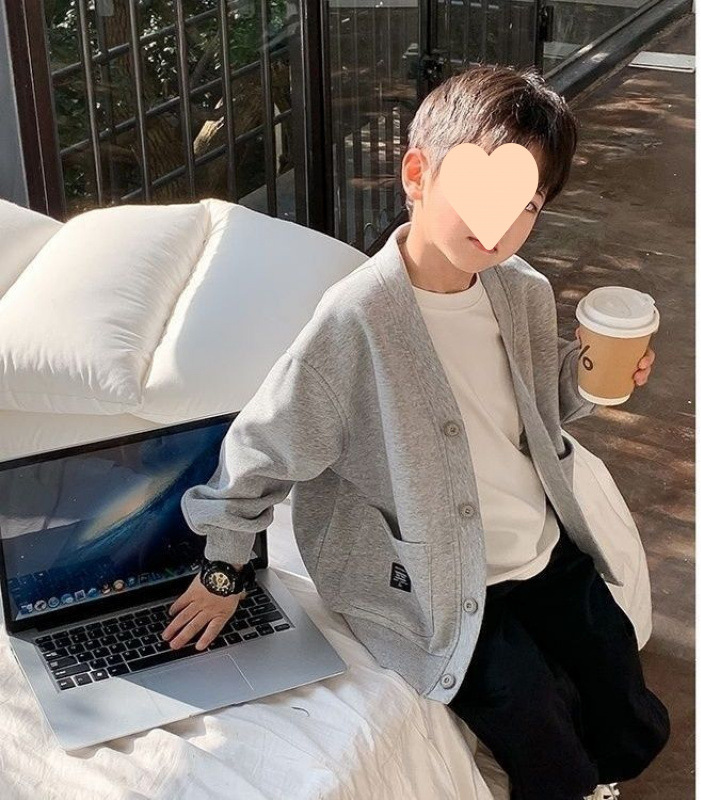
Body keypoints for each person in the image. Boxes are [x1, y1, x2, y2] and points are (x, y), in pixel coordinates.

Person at [162, 64, 669, 800]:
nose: (502, 223)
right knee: (536, 726)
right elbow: (264, 446)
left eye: (527, 204)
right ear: (417, 174)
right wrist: (224, 567)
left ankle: (603, 774)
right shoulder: (356, 320)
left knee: (626, 703)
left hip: (537, 544)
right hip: (437, 580)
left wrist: (589, 376)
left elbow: (534, 405)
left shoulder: (523, 291)